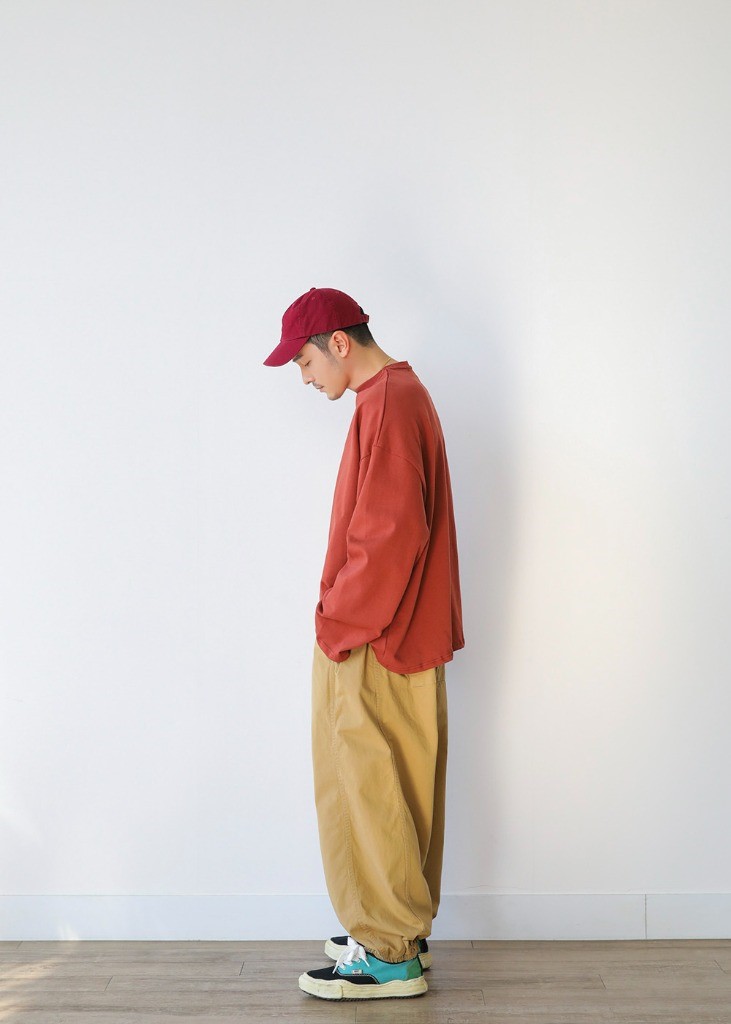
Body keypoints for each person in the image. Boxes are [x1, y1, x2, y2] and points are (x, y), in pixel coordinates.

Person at [263, 287, 464, 1001]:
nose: (304, 377)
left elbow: (388, 536)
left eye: (304, 361)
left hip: (376, 637)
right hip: (397, 634)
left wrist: (336, 623)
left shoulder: (389, 402)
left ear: (339, 343)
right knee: (393, 788)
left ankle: (386, 952)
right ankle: (397, 934)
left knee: (367, 789)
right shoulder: (396, 396)